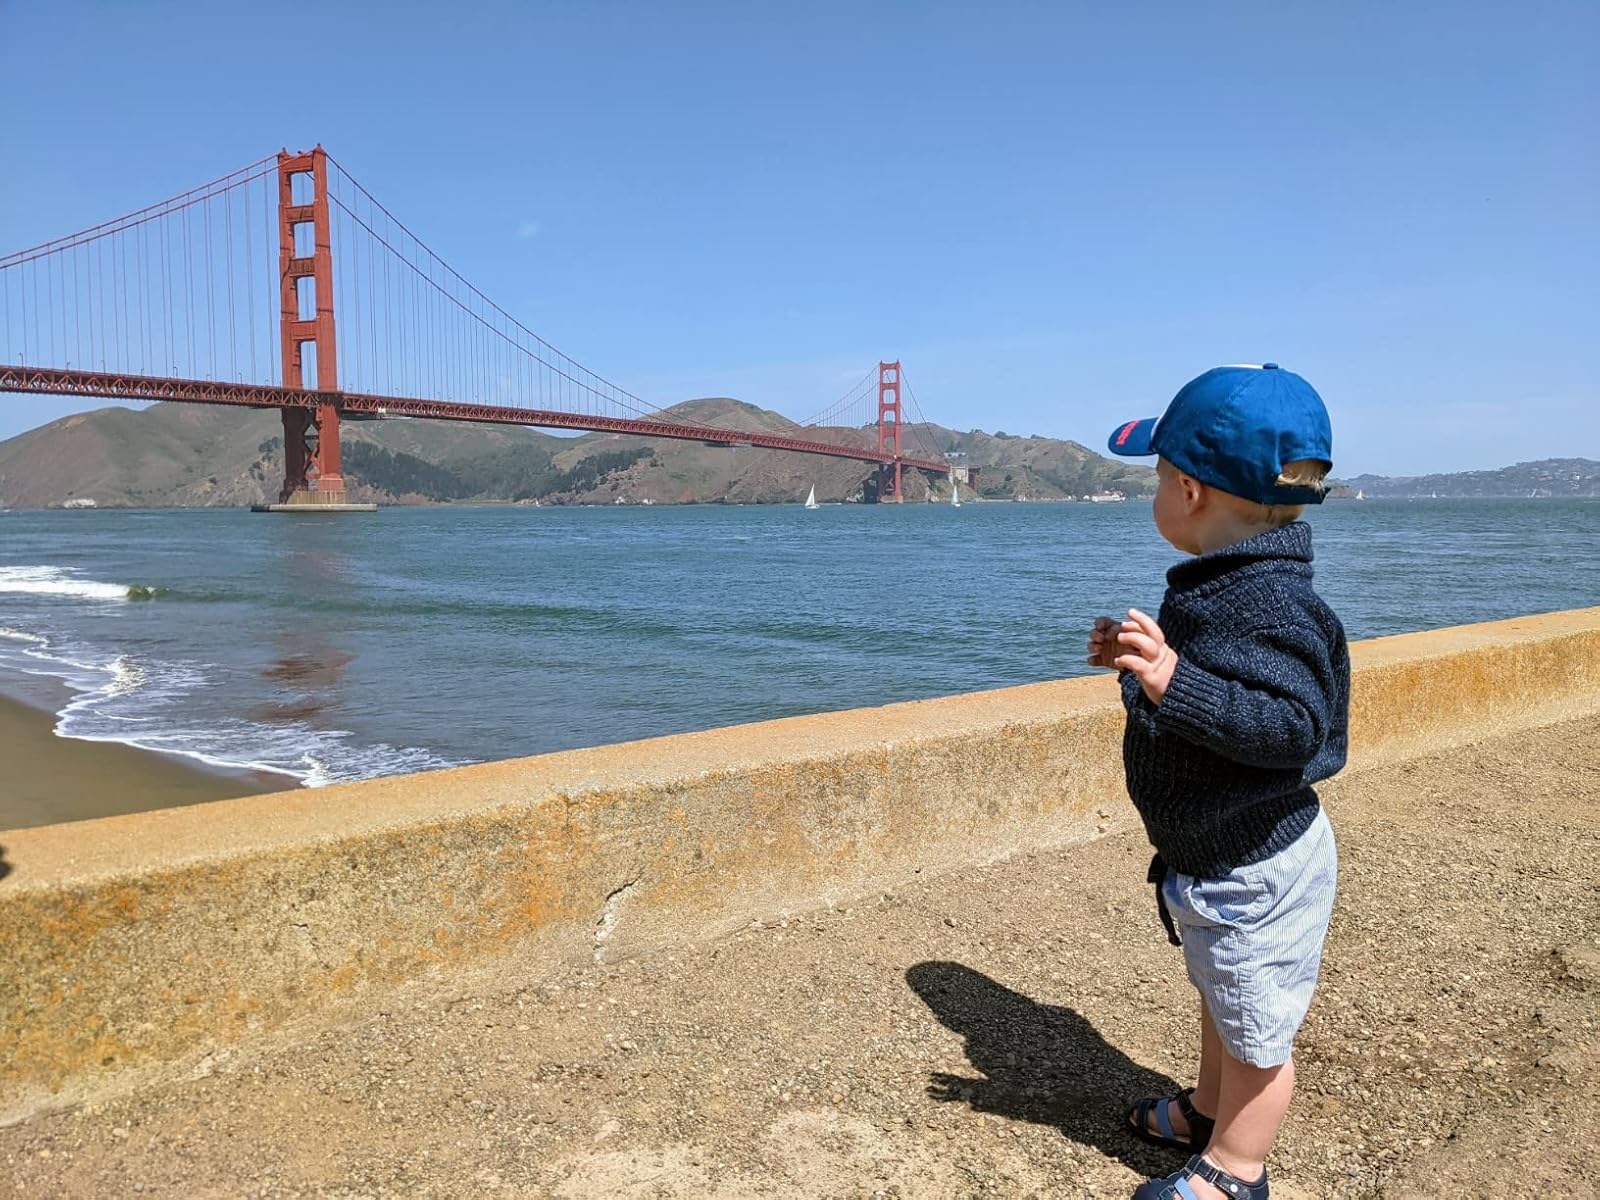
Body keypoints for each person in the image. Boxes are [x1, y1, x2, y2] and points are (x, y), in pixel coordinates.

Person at [1086, 364, 1349, 1200]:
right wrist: (1143, 671)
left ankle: (1236, 1168)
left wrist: (1172, 678)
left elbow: (1292, 727)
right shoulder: (1227, 586)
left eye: (1158, 479)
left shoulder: (1268, 602)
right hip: (1217, 852)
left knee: (1257, 1030)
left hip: (1254, 866)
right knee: (1225, 999)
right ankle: (1209, 1110)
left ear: (1192, 492)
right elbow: (1210, 710)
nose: (1156, 494)